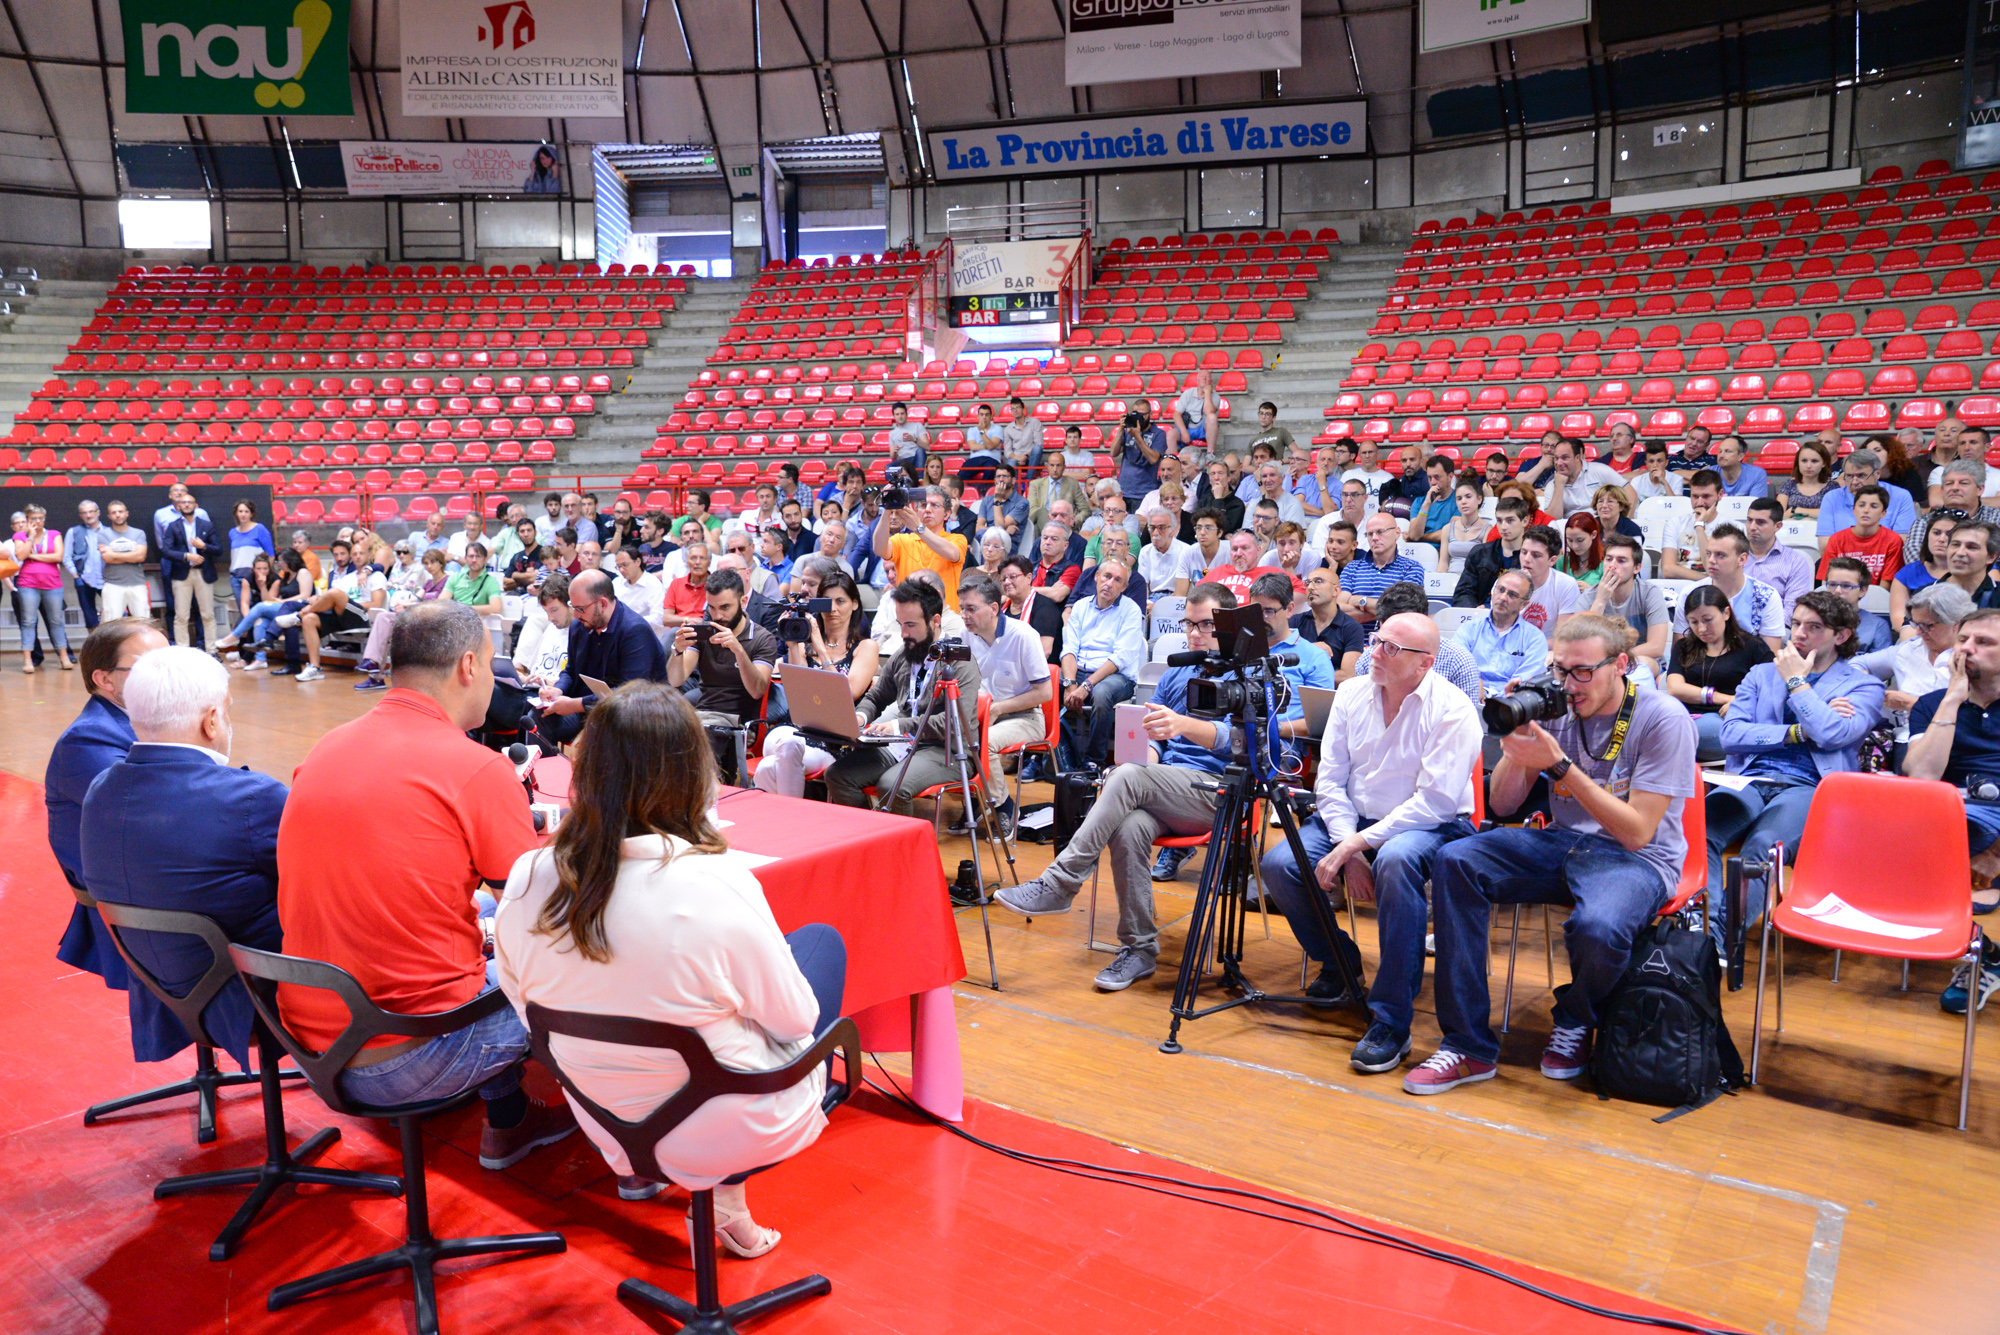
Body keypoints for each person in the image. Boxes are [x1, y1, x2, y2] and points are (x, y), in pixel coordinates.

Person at [496, 683, 845, 1250]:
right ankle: (726, 1195)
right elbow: (795, 1021)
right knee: (819, 947)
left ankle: (721, 1200)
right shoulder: (715, 882)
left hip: (606, 1118)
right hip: (724, 1121)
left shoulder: (528, 874)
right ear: (692, 775)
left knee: (704, 998)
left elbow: (523, 1006)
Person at [278, 601, 579, 1168]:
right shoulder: (475, 766)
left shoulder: (327, 747)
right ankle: (635, 1149)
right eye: (492, 664)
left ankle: (509, 1119)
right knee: (582, 967)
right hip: (408, 1050)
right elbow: (546, 919)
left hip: (311, 1041)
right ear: (469, 666)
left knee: (480, 927)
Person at [1408, 616, 1698, 1095]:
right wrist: (1518, 743)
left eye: (1582, 671)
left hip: (1639, 859)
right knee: (1457, 860)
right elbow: (1502, 805)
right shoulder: (1555, 704)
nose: (1569, 684)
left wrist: (1559, 766)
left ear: (1620, 665)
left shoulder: (1661, 717)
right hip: (1562, 842)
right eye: (1560, 670)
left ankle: (1576, 1017)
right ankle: (1467, 1045)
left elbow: (1637, 833)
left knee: (1598, 928)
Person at [997, 582, 1329, 990]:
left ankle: (1061, 882)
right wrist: (1149, 761)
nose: (1194, 634)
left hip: (1222, 791)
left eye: (1205, 625)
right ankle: (1139, 949)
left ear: (1228, 627)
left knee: (1127, 777)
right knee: (1129, 822)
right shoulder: (1178, 672)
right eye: (1188, 624)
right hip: (1169, 787)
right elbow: (1154, 738)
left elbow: (1252, 744)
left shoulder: (1252, 675)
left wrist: (1182, 729)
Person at [1258, 611, 1482, 1068]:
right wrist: (1350, 845)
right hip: (1356, 820)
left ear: (1425, 663)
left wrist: (1353, 847)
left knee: (1395, 862)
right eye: (1377, 640)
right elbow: (1330, 781)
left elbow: (1434, 802)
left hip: (1432, 824)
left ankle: (1391, 1020)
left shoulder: (1454, 708)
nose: (1374, 653)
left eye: (1390, 648)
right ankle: (1340, 964)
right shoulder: (1351, 694)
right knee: (1279, 866)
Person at [79, 647, 287, 1071]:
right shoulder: (251, 798)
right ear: (211, 721)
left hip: (160, 991)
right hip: (252, 997)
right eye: (227, 712)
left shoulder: (100, 788)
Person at [1702, 590, 1883, 952]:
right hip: (1750, 777)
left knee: (1763, 846)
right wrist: (1798, 731)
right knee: (1701, 829)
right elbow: (1731, 735)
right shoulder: (1761, 674)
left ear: (1841, 635)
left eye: (1814, 627)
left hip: (1808, 785)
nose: (1799, 633)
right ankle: (1705, 930)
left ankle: (1720, 940)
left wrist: (1798, 685)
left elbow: (1833, 735)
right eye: (1796, 623)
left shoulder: (1864, 685)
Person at [47, 620, 170, 989]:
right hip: (141, 908)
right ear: (105, 679)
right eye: (151, 667)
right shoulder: (88, 741)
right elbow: (165, 818)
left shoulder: (151, 723)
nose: (170, 676)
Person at [824, 579, 983, 813]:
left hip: (947, 751)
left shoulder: (959, 662)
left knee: (892, 785)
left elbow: (953, 723)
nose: (903, 633)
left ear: (935, 621)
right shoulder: (904, 653)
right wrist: (858, 718)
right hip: (903, 743)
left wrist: (899, 726)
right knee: (838, 775)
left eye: (911, 625)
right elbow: (876, 697)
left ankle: (899, 836)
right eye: (900, 624)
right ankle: (870, 830)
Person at [1906, 610, 2000, 948]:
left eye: (1983, 642)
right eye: (1962, 640)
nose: (1966, 649)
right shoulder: (1932, 705)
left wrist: (1995, 855)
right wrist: (1952, 699)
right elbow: (1922, 774)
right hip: (1949, 812)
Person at [665, 568, 780, 780]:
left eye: (725, 607)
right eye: (712, 607)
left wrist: (739, 651)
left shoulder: (762, 639)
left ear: (743, 601)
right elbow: (675, 679)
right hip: (703, 716)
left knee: (697, 746)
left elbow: (757, 690)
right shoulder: (704, 632)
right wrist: (677, 651)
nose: (718, 616)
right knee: (655, 732)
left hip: (739, 721)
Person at [957, 570, 1051, 828]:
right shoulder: (965, 635)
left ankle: (1004, 807)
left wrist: (998, 708)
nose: (964, 615)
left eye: (971, 609)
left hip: (1025, 716)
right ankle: (976, 801)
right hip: (983, 714)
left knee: (981, 742)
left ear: (994, 608)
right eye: (962, 608)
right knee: (951, 737)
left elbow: (1045, 693)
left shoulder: (1023, 635)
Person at [538, 570, 670, 746]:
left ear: (602, 604)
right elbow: (570, 670)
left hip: (634, 715)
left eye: (580, 609)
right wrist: (558, 690)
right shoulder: (579, 626)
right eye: (573, 607)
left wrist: (577, 704)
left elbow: (630, 693)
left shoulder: (635, 631)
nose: (575, 615)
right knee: (537, 718)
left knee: (603, 732)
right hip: (590, 707)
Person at [1853, 581, 1968, 772]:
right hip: (1908, 736)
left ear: (1956, 624)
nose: (1918, 632)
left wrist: (1912, 704)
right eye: (1915, 623)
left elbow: (1973, 716)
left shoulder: (1973, 658)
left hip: (1960, 739)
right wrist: (1872, 686)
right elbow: (1856, 664)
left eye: (1927, 625)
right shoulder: (1909, 649)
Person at [1665, 584, 1774, 763]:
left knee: (1675, 735)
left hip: (1730, 720)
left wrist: (1742, 704)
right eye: (1694, 622)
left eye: (1707, 620)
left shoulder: (1752, 647)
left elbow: (1771, 689)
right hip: (1687, 717)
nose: (1701, 629)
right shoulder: (1683, 647)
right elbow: (1675, 688)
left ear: (1726, 613)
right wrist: (1728, 699)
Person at [1059, 558, 1147, 767]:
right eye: (1107, 576)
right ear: (1097, 577)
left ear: (1124, 587)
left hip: (1116, 676)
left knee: (1101, 693)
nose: (1109, 583)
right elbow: (1069, 648)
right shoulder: (1080, 606)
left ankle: (1094, 762)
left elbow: (1120, 658)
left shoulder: (1131, 611)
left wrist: (1086, 686)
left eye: (1117, 580)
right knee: (1045, 686)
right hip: (1079, 670)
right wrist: (1070, 683)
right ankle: (1055, 758)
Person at [1675, 525, 1787, 650]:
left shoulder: (1766, 597)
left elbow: (1770, 656)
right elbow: (1681, 651)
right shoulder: (1689, 594)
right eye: (1708, 554)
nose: (1711, 560)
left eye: (1720, 555)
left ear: (1742, 559)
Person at [873, 485, 968, 609]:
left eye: (935, 505)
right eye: (923, 505)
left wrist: (919, 528)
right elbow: (879, 549)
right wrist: (887, 508)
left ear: (946, 514)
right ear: (916, 512)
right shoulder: (902, 540)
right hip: (910, 614)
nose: (928, 510)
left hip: (944, 614)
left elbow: (952, 554)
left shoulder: (957, 539)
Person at [1457, 570, 1548, 692]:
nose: (1503, 597)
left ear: (1524, 605)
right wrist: (1473, 686)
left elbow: (1523, 682)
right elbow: (1456, 666)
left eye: (1512, 595)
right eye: (1501, 590)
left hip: (1510, 699)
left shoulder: (1535, 639)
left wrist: (1498, 699)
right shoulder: (1469, 629)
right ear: (1493, 592)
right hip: (1470, 695)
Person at [11, 504, 73, 671]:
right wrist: (30, 537)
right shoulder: (20, 536)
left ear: (44, 519)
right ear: (27, 520)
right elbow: (21, 555)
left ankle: (64, 657)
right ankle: (28, 661)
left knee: (56, 621)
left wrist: (32, 555)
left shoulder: (54, 534)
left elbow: (58, 556)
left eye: (40, 518)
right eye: (33, 519)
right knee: (28, 622)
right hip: (28, 584)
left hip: (52, 584)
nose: (37, 522)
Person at [1338, 513, 1426, 625]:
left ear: (1397, 533)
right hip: (1356, 636)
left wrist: (1362, 601)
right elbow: (1339, 610)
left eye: (1380, 532)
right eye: (1370, 534)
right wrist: (1387, 611)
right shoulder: (1352, 568)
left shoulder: (1411, 568)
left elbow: (1405, 611)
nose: (1374, 538)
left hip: (1393, 635)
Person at [1816, 447, 1917, 539]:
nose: (1854, 482)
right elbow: (1825, 544)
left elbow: (1903, 540)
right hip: (1843, 554)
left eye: (1861, 476)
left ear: (1877, 474)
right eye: (1849, 476)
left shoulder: (1900, 496)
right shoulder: (1832, 498)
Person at [1450, 494, 1529, 608]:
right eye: (1499, 521)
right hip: (1480, 613)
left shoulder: (1531, 559)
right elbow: (1463, 593)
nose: (1503, 527)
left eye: (1510, 520)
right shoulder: (1480, 553)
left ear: (1525, 521)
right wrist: (1475, 611)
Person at [1740, 497, 1815, 618]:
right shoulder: (1733, 555)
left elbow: (1792, 610)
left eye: (1760, 522)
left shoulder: (1795, 561)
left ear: (1778, 526)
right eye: (1749, 520)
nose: (1752, 527)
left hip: (1777, 626)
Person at [1818, 484, 1904, 586]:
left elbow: (1886, 586)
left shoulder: (1893, 540)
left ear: (1883, 513)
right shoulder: (1836, 539)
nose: (1866, 510)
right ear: (1854, 510)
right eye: (1861, 505)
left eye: (1874, 506)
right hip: (1840, 593)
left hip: (1876, 595)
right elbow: (1827, 580)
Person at [1291, 566, 1365, 680]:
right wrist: (1308, 649)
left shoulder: (1352, 628)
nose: (1310, 587)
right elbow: (1278, 657)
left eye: (1318, 581)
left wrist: (1307, 675)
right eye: (1308, 583)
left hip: (1331, 690)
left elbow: (1348, 676)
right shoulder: (1294, 622)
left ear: (1336, 591)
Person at [1530, 438, 1625, 519]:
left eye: (1565, 458)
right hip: (1571, 530)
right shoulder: (1552, 485)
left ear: (1577, 458)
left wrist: (1625, 522)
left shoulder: (1599, 470)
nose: (1559, 463)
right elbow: (1552, 520)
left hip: (1601, 525)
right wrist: (1559, 487)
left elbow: (1628, 491)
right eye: (1556, 458)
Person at [1893, 512, 1957, 632]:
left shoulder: (1979, 571)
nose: (1941, 539)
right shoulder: (1907, 573)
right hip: (1915, 634)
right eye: (1936, 533)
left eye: (1949, 534)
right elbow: (1898, 619)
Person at [1661, 470, 1727, 581]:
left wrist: (1699, 527)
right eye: (1695, 497)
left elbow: (1711, 568)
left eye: (1706, 496)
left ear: (1720, 495)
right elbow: (1667, 569)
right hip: (1681, 585)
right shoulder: (1675, 523)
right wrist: (1707, 580)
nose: (1700, 503)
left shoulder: (1732, 528)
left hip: (1713, 589)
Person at [1820, 556, 1894, 654]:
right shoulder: (1812, 619)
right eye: (1832, 585)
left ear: (1862, 590)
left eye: (1846, 586)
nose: (1837, 591)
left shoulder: (1877, 626)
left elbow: (1881, 663)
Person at [94, 501, 151, 622]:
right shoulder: (103, 534)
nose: (118, 515)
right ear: (109, 516)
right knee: (111, 623)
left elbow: (141, 557)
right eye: (114, 512)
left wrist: (115, 555)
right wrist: (132, 556)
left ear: (127, 513)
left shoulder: (138, 533)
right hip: (113, 584)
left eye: (120, 511)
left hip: (137, 583)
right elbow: (107, 558)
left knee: (143, 622)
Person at [1028, 450, 1089, 545]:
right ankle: (1055, 537)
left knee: (1038, 529)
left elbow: (1085, 510)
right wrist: (1051, 519)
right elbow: (1032, 509)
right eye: (1052, 465)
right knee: (1041, 512)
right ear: (1047, 466)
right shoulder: (1035, 484)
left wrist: (1074, 520)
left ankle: (1053, 540)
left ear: (1064, 467)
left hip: (1065, 523)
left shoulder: (1073, 484)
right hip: (1043, 520)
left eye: (1058, 465)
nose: (1055, 469)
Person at [63, 499, 107, 630]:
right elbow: (66, 557)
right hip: (83, 579)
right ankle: (93, 642)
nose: (88, 515)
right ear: (80, 515)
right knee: (90, 617)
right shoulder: (74, 532)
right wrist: (76, 575)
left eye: (91, 511)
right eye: (84, 513)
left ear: (98, 512)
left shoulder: (108, 531)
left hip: (107, 579)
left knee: (116, 613)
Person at [1116, 405, 1167, 512]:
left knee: (1140, 521)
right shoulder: (1128, 431)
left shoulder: (1159, 434)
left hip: (1144, 492)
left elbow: (1153, 459)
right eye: (1136, 414)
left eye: (1142, 415)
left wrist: (1137, 436)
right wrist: (1120, 430)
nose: (1139, 418)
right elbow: (1113, 452)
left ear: (1150, 414)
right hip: (1123, 490)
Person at [1777, 439, 1836, 521]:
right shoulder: (1789, 485)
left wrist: (1795, 509)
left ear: (1824, 463)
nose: (1808, 466)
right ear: (1798, 463)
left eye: (1814, 461)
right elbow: (1778, 514)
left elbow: (1833, 513)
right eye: (1804, 461)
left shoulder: (1832, 487)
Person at [1713, 435, 1770, 499]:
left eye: (1728, 451)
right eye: (1720, 451)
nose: (1721, 455)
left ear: (1740, 456)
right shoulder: (1708, 474)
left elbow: (1756, 504)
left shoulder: (1757, 474)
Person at [1626, 439, 1683, 503]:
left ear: (1666, 462)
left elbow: (1676, 506)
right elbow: (1631, 506)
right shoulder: (1637, 481)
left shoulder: (1676, 479)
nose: (1655, 465)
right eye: (1651, 461)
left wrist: (1664, 482)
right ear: (1646, 463)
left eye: (1660, 461)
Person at [885, 401, 928, 481]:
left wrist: (914, 439)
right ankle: (894, 485)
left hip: (916, 457)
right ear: (894, 416)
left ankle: (920, 479)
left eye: (902, 413)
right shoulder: (892, 433)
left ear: (906, 414)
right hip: (903, 460)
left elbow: (927, 447)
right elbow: (892, 458)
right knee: (888, 467)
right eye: (897, 414)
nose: (900, 416)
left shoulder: (917, 426)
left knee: (920, 451)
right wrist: (894, 451)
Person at [1556, 513, 1603, 586]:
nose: (1574, 546)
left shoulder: (1605, 564)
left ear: (1593, 535)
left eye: (1580, 540)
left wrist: (1591, 590)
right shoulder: (1562, 561)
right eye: (1570, 540)